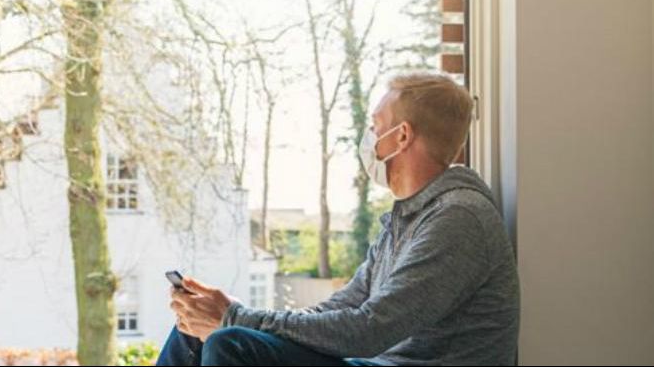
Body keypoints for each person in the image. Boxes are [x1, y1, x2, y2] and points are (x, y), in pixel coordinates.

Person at [157, 72, 520, 366]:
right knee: (193, 331)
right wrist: (239, 314)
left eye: (376, 128)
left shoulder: (458, 218)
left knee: (231, 344)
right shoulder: (406, 219)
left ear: (402, 136)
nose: (369, 138)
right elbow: (340, 308)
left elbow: (368, 330)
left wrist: (236, 319)